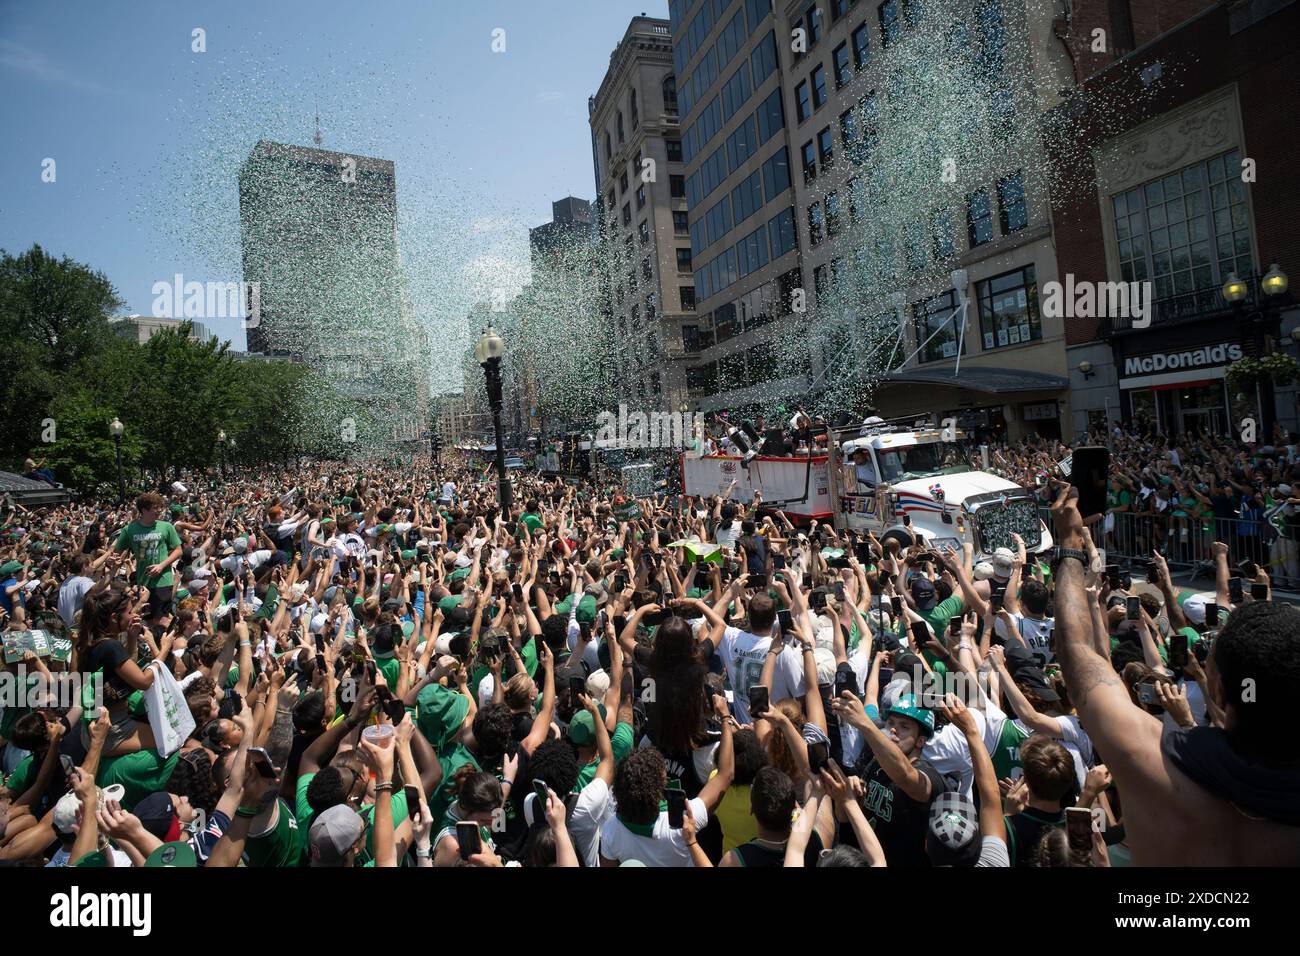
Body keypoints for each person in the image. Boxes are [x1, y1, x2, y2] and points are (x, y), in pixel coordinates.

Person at [113, 492, 183, 620]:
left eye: (160, 507)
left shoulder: (166, 527)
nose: (160, 510)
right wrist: (114, 560)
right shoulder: (129, 529)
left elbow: (178, 550)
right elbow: (117, 552)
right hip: (143, 582)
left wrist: (161, 566)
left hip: (163, 581)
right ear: (144, 510)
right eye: (155, 508)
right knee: (145, 619)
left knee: (161, 620)